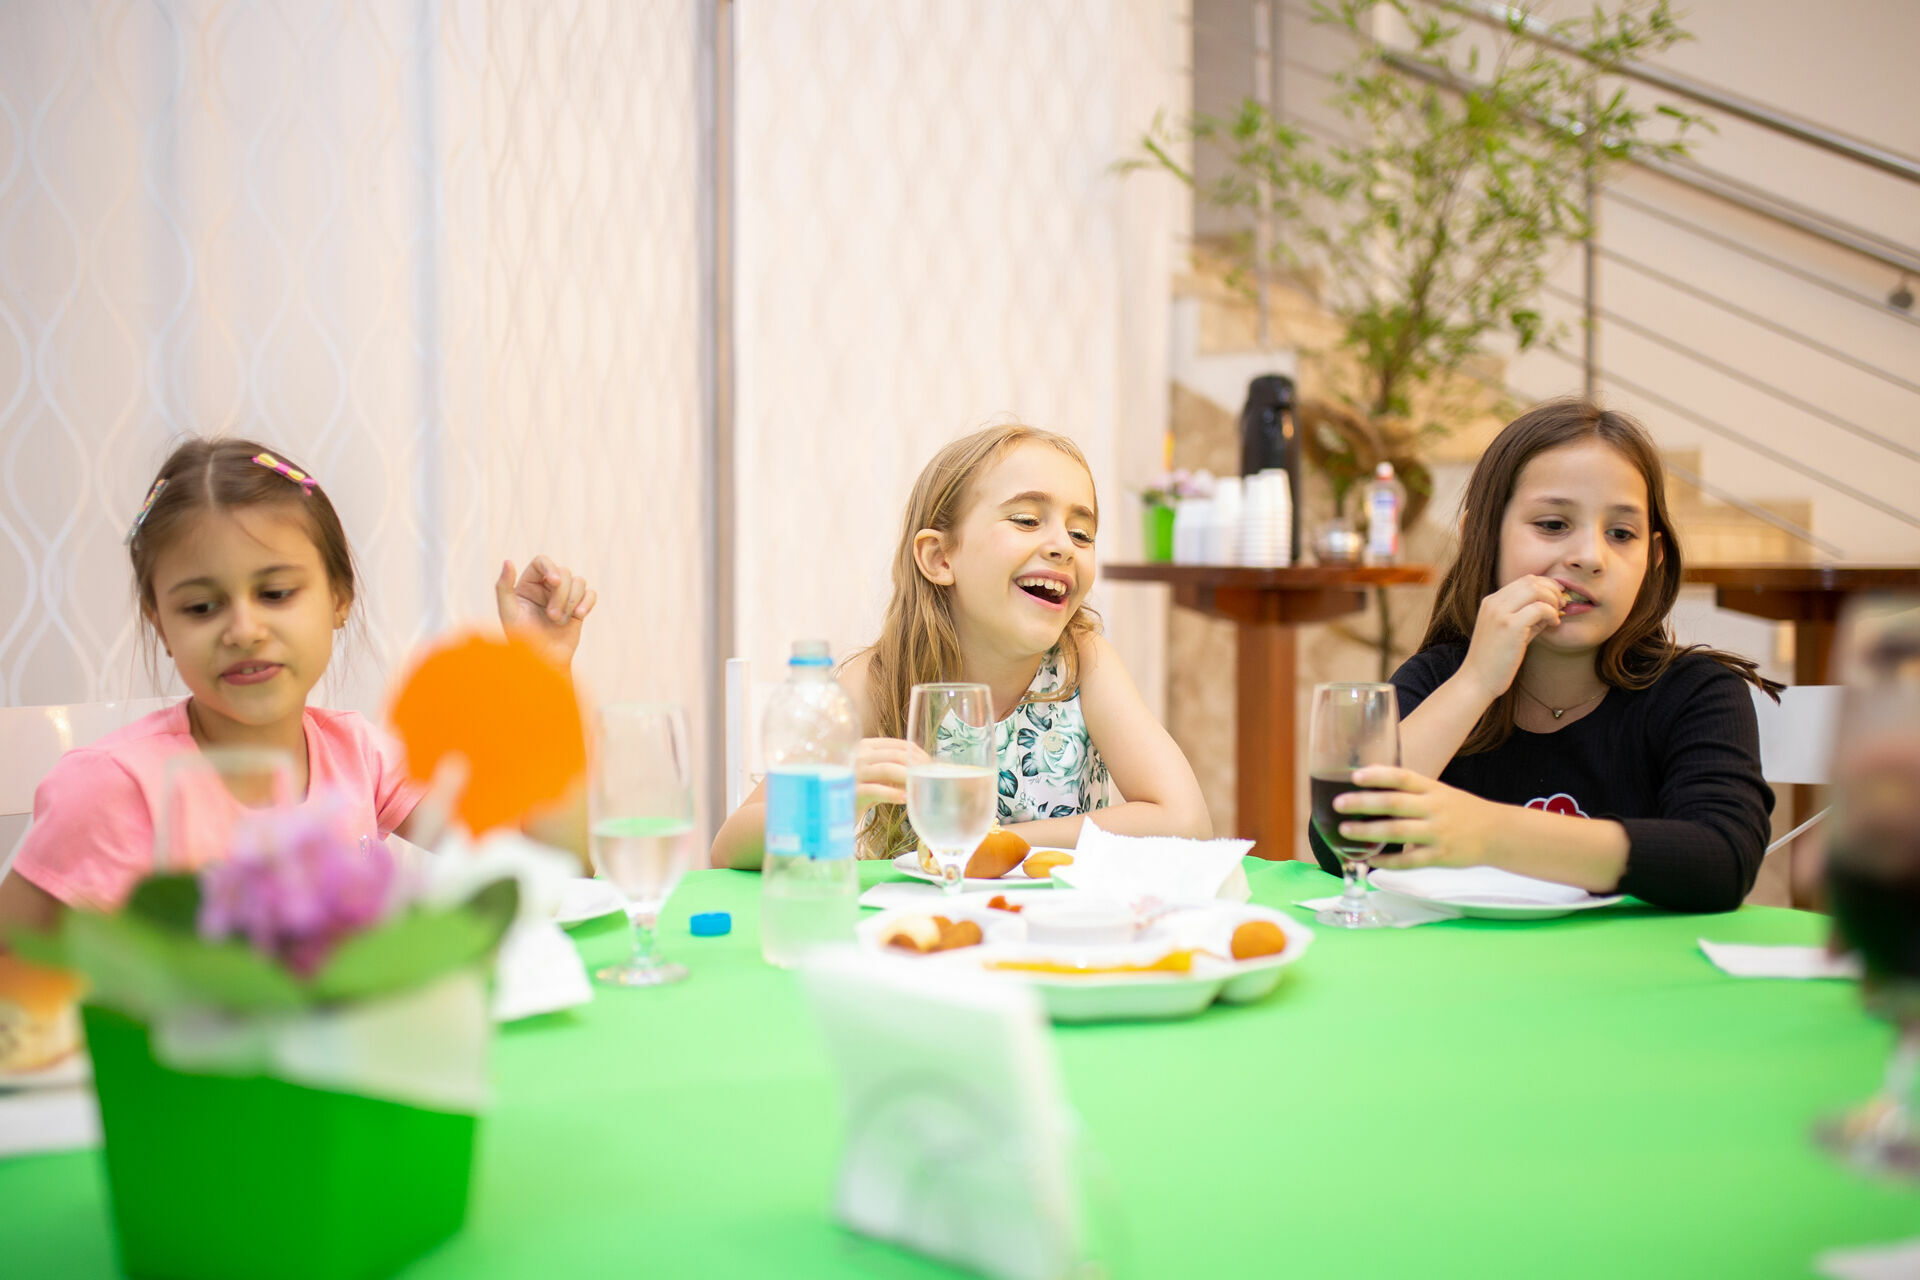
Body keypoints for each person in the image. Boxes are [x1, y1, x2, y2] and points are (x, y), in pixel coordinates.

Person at [0, 437, 595, 930]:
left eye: (276, 593)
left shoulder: (359, 756)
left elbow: (551, 871)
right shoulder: (110, 788)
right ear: (160, 623)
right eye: (202, 607)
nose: (243, 629)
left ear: (339, 597)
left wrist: (543, 673)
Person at [1314, 398, 1776, 912]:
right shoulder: (1443, 678)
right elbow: (1343, 842)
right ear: (1480, 538)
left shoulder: (1697, 693)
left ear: (1653, 557)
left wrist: (1492, 833)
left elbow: (1722, 860)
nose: (1589, 557)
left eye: (1621, 534)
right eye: (1553, 524)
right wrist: (1475, 683)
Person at [712, 423, 1210, 869]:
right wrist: (831, 797)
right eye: (1026, 520)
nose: (1063, 545)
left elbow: (1187, 822)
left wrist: (989, 845)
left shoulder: (1084, 663)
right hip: (918, 933)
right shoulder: (880, 679)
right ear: (940, 558)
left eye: (1081, 533)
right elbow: (730, 847)